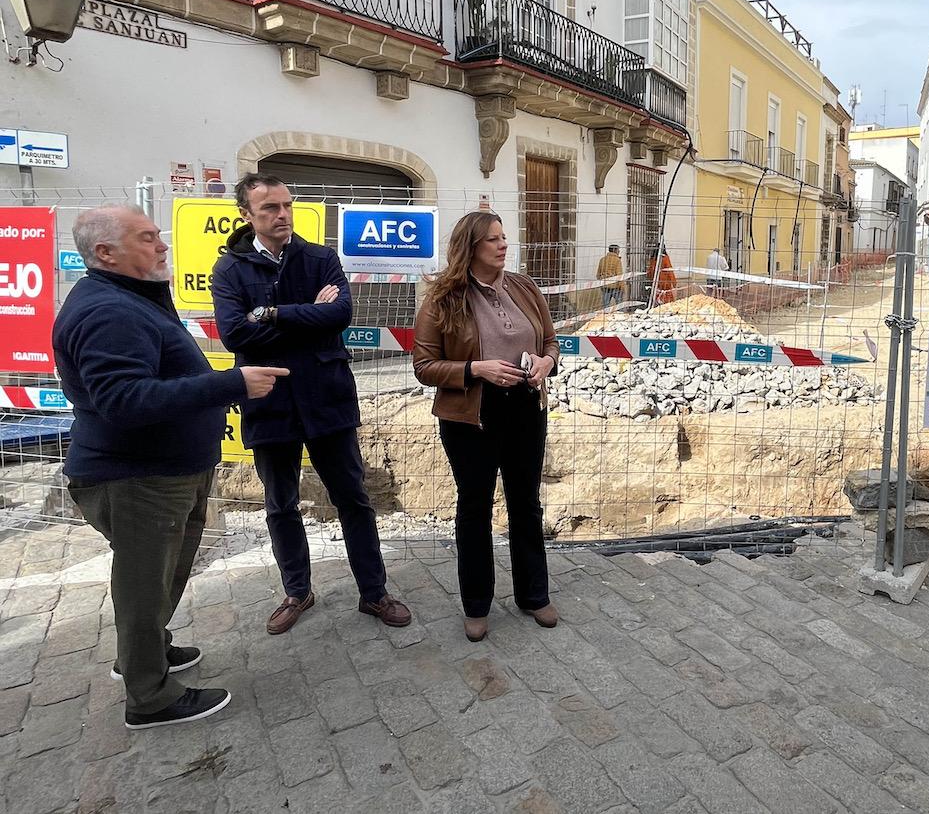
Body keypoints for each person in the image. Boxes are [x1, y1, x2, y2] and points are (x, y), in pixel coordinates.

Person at [53, 204, 288, 729]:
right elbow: (125, 400)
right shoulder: (108, 312)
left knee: (159, 577)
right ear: (107, 253)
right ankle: (150, 697)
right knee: (143, 583)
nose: (163, 246)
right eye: (147, 238)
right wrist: (232, 383)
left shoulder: (127, 298)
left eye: (159, 235)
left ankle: (146, 652)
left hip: (163, 470)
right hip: (136, 478)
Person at [211, 174, 411, 634]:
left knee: (353, 500)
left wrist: (272, 313)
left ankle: (374, 594)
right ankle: (297, 591)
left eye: (286, 205)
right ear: (246, 215)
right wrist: (308, 314)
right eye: (269, 209)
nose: (282, 215)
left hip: (327, 397)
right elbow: (235, 333)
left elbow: (340, 315)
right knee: (280, 504)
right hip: (270, 402)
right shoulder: (230, 270)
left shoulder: (320, 257)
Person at [412, 211, 560, 643]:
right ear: (470, 247)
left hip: (526, 409)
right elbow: (423, 365)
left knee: (526, 503)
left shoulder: (524, 287)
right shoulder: (444, 298)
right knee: (475, 508)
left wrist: (546, 362)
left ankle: (533, 595)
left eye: (503, 237)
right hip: (470, 415)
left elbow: (550, 340)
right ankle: (476, 604)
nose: (502, 245)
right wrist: (476, 369)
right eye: (492, 240)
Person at [596, 243, 625, 310]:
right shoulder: (617, 260)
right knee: (619, 305)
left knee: (606, 306)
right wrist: (622, 287)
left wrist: (602, 283)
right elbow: (619, 275)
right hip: (615, 287)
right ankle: (620, 318)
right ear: (615, 250)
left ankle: (606, 318)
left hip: (605, 286)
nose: (619, 251)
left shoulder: (602, 260)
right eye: (618, 250)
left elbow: (598, 274)